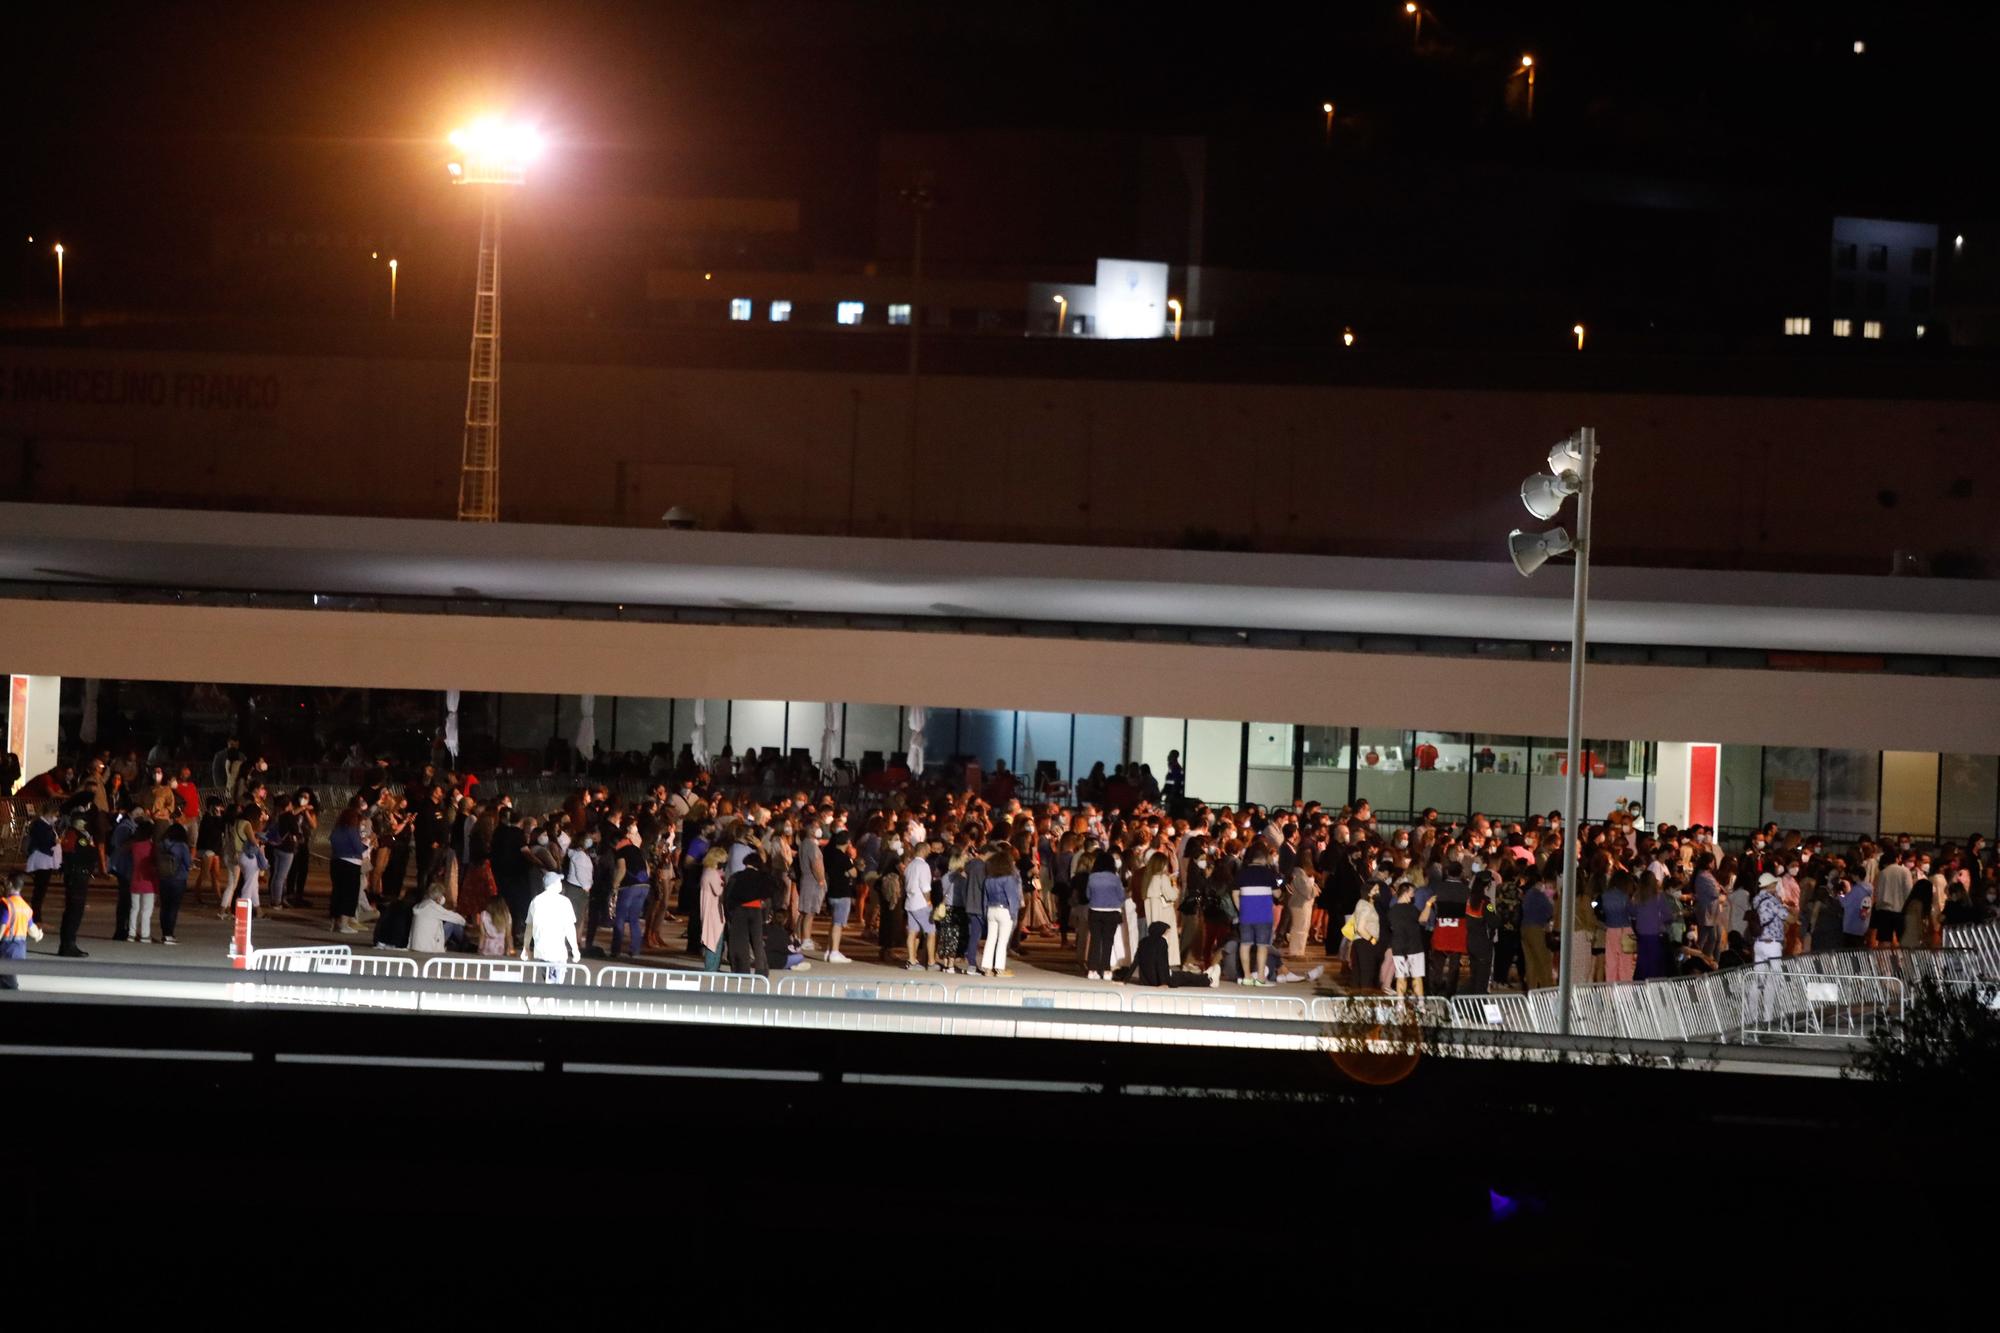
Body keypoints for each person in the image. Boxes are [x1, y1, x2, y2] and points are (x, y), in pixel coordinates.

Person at [723, 851, 776, 977]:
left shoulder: (736, 877)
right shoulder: (763, 877)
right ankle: (762, 970)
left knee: (740, 942)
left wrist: (729, 912)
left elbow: (728, 897)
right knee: (757, 942)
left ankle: (741, 970)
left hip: (739, 911)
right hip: (756, 910)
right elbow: (771, 892)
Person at [520, 870, 581, 975]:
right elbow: (569, 929)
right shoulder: (564, 902)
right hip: (558, 952)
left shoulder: (536, 901)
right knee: (556, 987)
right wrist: (575, 949)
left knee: (548, 984)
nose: (561, 884)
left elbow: (529, 927)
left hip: (541, 952)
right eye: (559, 882)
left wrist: (526, 947)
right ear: (554, 884)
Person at [980, 847, 1023, 978]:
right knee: (1002, 941)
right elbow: (1012, 897)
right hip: (1004, 910)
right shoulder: (1009, 879)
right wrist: (1014, 913)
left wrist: (984, 912)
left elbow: (984, 898)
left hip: (991, 910)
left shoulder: (988, 879)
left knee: (991, 939)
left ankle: (986, 967)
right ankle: (999, 968)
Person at [1083, 850, 1125, 981]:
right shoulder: (1115, 878)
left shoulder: (1092, 877)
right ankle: (1106, 970)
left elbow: (1088, 895)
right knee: (1108, 941)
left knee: (1095, 941)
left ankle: (1092, 970)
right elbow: (1121, 896)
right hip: (1112, 912)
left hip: (1095, 911)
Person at [1386, 880, 1434, 997]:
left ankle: (1400, 1004)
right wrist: (1428, 904)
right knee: (1417, 977)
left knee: (1401, 977)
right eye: (1412, 892)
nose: (1414, 895)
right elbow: (1423, 919)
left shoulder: (1392, 910)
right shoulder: (1412, 909)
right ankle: (1421, 1004)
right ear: (1406, 892)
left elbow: (1391, 927)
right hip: (1414, 947)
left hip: (1399, 947)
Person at [610, 824, 650, 959]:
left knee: (620, 918)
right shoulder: (638, 851)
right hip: (644, 886)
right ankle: (635, 949)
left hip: (629, 887)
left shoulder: (620, 852)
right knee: (634, 919)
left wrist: (614, 886)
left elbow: (621, 869)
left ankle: (616, 949)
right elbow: (648, 870)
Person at [56, 819, 94, 957]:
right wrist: (90, 846)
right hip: (77, 877)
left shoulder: (73, 834)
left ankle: (67, 944)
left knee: (73, 911)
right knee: (74, 912)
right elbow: (87, 852)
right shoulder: (76, 835)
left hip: (75, 876)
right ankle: (68, 945)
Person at [1, 875, 46, 990]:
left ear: (10, 884)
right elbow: (32, 930)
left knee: (9, 984)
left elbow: (2, 927)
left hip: (6, 950)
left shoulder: (6, 905)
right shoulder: (26, 907)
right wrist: (38, 935)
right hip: (19, 950)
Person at [823, 828, 857, 965]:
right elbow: (853, 873)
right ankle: (835, 952)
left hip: (831, 892)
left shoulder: (830, 855)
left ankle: (829, 949)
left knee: (833, 922)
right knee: (838, 924)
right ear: (847, 842)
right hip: (842, 893)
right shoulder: (844, 857)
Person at [902, 841, 937, 972]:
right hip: (921, 903)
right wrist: (929, 902)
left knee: (912, 932)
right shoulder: (923, 866)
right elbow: (925, 887)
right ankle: (931, 962)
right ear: (922, 850)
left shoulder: (910, 865)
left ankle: (911, 960)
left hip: (910, 902)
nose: (929, 852)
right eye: (928, 849)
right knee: (931, 932)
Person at [126, 819, 159, 944]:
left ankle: (131, 933)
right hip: (149, 881)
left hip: (135, 880)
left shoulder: (134, 846)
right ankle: (145, 934)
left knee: (134, 908)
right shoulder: (152, 847)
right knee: (146, 910)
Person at [409, 885, 469, 953]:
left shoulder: (421, 905)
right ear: (439, 896)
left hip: (416, 945)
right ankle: (466, 944)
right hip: (428, 948)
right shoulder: (433, 907)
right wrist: (465, 922)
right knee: (452, 923)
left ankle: (463, 943)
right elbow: (455, 918)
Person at [697, 845, 728, 971]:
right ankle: (711, 967)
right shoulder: (712, 873)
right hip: (713, 912)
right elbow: (719, 891)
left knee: (714, 940)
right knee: (714, 941)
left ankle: (713, 967)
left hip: (709, 909)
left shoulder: (706, 871)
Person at [1748, 873, 1788, 966]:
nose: (1776, 885)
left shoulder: (1756, 900)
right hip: (1771, 945)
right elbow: (1785, 915)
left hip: (1758, 943)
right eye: (1774, 883)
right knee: (1776, 977)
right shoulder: (1772, 900)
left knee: (1760, 977)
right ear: (1770, 885)